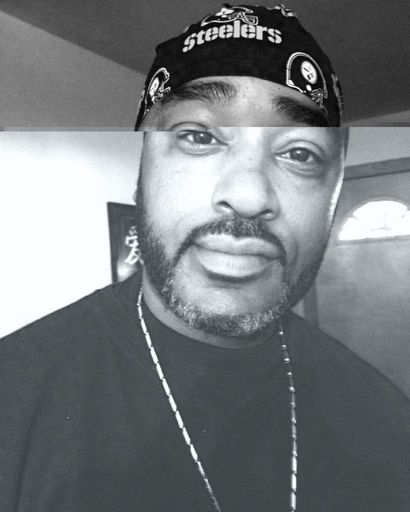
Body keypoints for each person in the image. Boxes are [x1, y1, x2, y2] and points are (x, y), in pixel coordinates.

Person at [1, 4, 409, 512]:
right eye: (199, 136)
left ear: (334, 190)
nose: (248, 195)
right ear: (142, 168)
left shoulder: (387, 418)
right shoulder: (13, 399)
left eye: (300, 153)